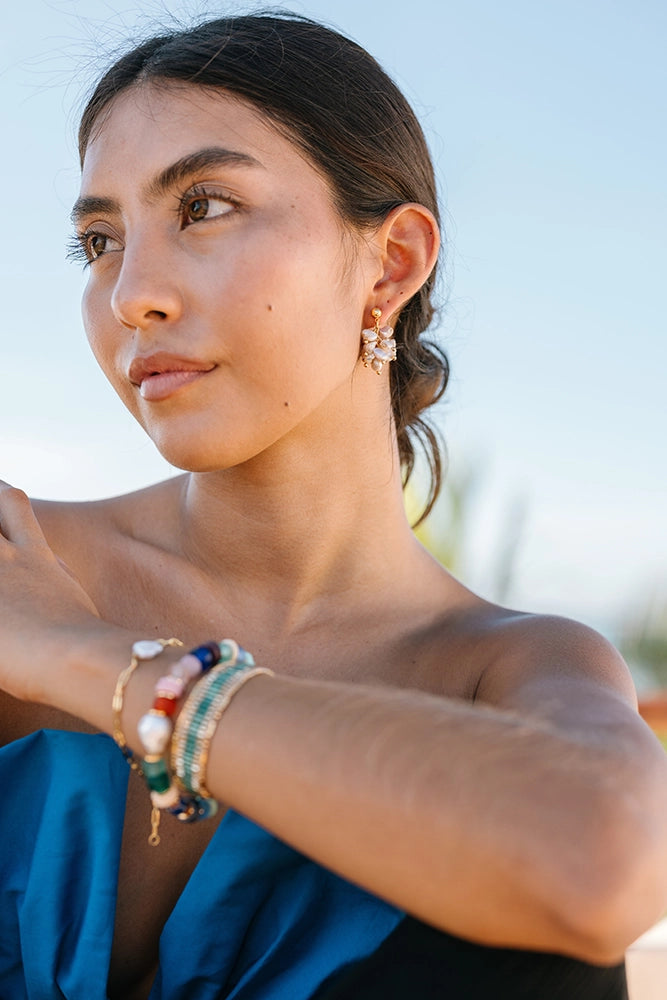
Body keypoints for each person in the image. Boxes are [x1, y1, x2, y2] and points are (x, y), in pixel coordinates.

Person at [0, 12, 665, 1000]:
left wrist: (94, 661)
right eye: (98, 240)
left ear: (390, 263)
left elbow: (602, 867)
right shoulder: (17, 559)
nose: (131, 291)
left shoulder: (506, 667)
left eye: (205, 205)